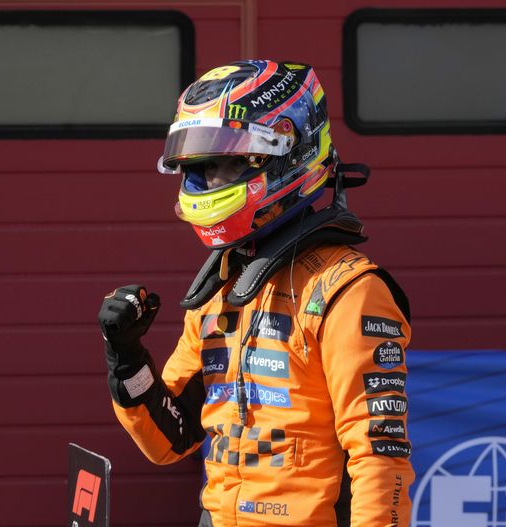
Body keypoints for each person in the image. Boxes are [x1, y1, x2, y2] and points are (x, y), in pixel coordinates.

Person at [98, 60, 413, 527]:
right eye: (200, 169)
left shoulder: (349, 291)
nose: (208, 182)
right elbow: (172, 439)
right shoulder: (218, 290)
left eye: (226, 165)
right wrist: (127, 360)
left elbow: (378, 459)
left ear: (286, 153)